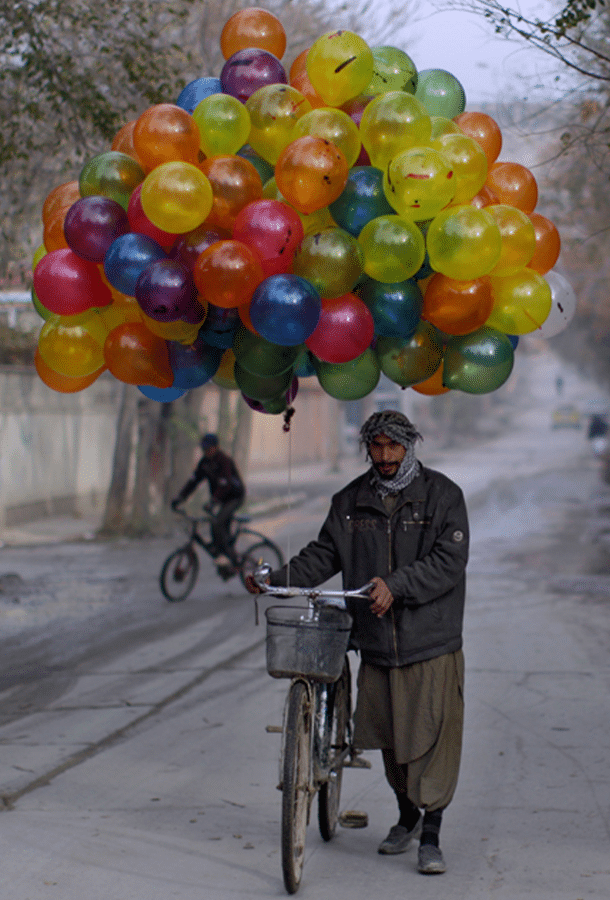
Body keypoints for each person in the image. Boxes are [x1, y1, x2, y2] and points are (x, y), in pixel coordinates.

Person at [246, 409, 469, 875]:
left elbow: (448, 562)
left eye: (394, 446)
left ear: (410, 446)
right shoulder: (350, 501)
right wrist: (275, 580)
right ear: (366, 447)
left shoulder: (442, 496)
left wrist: (396, 585)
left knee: (431, 740)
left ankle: (431, 833)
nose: (385, 456)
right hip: (376, 645)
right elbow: (323, 554)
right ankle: (407, 818)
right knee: (390, 740)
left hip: (430, 641)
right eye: (377, 446)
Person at [172, 433, 245, 577]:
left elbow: (226, 485)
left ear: (216, 447)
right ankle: (224, 562)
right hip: (220, 499)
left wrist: (214, 501)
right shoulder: (204, 463)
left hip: (234, 497)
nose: (206, 452)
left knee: (217, 524)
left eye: (208, 449)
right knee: (217, 529)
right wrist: (180, 497)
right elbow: (193, 482)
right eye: (204, 449)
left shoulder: (224, 461)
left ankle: (233, 559)